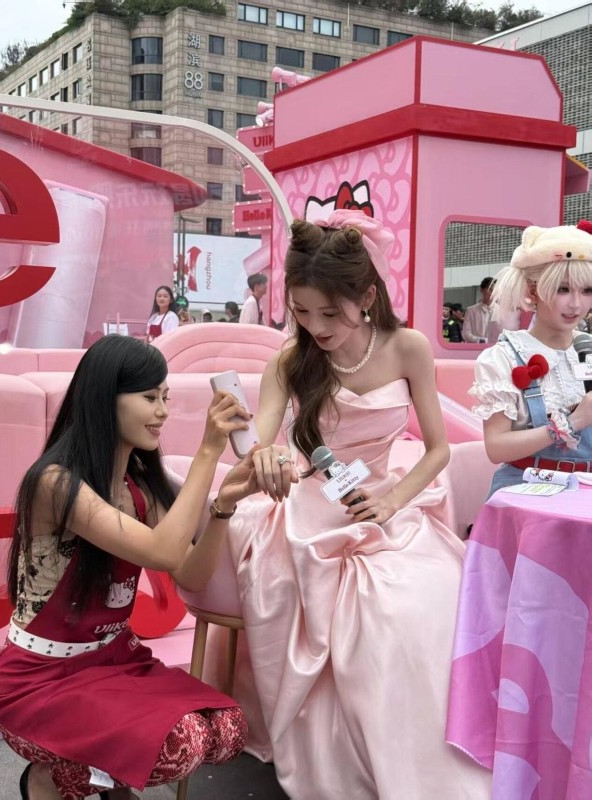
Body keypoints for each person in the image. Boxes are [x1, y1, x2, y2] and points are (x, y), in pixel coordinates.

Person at [225, 211, 492, 799]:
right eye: (301, 311)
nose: (314, 326)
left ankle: (429, 758)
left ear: (367, 297)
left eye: (329, 313)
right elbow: (261, 441)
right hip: (306, 508)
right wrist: (263, 454)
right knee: (370, 610)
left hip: (384, 505)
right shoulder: (289, 361)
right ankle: (350, 758)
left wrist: (392, 500)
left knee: (432, 598)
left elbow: (438, 449)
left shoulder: (408, 348)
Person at [0, 335, 256, 800]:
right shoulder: (54, 483)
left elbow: (190, 575)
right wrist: (207, 453)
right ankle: (48, 780)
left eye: (165, 398)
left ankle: (107, 783)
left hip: (112, 661)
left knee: (226, 727)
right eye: (150, 397)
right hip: (40, 680)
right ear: (104, 398)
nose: (162, 412)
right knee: (180, 742)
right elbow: (163, 552)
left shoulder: (139, 485)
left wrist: (223, 509)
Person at [470, 222, 592, 497]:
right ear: (531, 291)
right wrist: (572, 422)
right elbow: (496, 448)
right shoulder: (504, 357)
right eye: (562, 289)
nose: (576, 304)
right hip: (526, 492)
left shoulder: (587, 348)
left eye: (587, 290)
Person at [462, 276, 494, 343]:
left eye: (495, 290)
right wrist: (480, 340)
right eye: (490, 289)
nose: (493, 293)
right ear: (482, 290)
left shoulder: (501, 311)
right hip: (476, 346)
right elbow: (466, 333)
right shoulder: (471, 310)